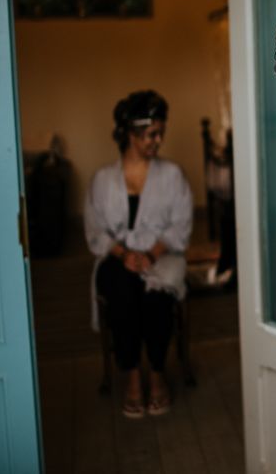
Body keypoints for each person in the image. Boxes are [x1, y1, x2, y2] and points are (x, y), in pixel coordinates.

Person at [84, 90, 193, 419]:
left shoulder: (172, 175)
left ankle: (157, 373)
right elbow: (95, 231)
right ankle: (132, 374)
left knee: (156, 297)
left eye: (161, 132)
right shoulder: (102, 180)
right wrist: (123, 253)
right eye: (150, 134)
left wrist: (151, 252)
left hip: (163, 256)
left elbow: (181, 225)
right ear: (129, 134)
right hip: (117, 258)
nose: (158, 140)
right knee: (122, 293)